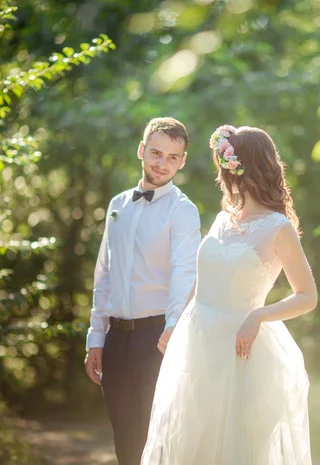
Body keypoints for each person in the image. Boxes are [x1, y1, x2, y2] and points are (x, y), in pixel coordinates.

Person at [141, 125, 317, 465]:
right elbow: (204, 279)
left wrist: (258, 316)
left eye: (227, 160)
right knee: (192, 442)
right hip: (198, 344)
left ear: (246, 164)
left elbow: (307, 296)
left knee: (235, 448)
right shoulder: (224, 218)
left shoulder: (278, 227)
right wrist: (177, 323)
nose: (222, 170)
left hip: (241, 350)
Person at [84, 117, 201, 465]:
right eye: (156, 153)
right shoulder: (117, 204)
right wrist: (95, 337)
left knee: (159, 442)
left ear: (181, 161)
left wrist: (174, 329)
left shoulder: (183, 211)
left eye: (172, 157)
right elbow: (103, 273)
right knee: (125, 440)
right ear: (141, 150)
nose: (162, 163)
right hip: (115, 339)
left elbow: (186, 273)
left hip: (158, 338)